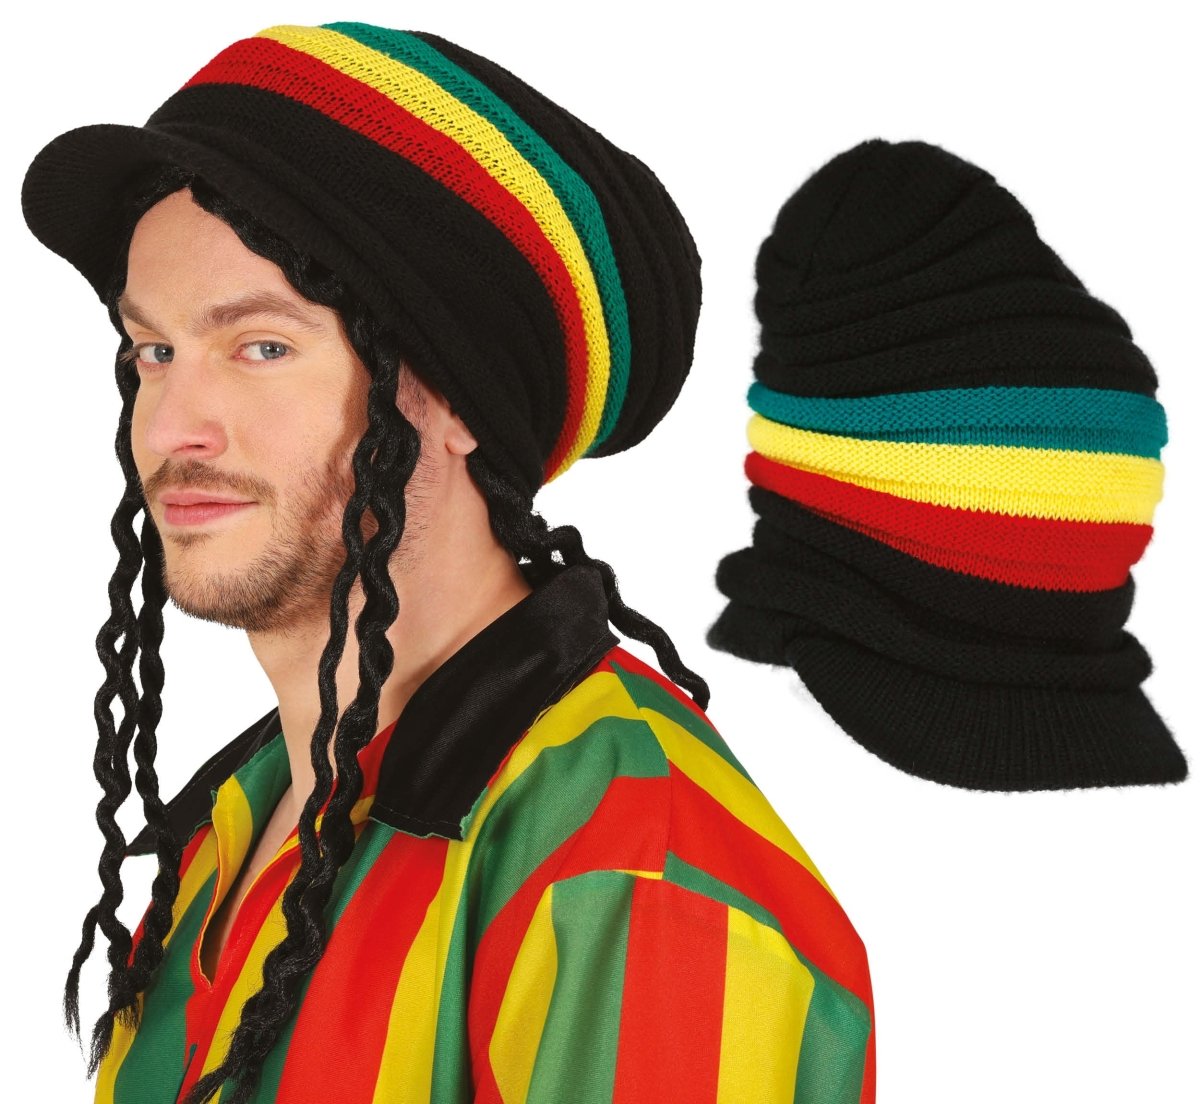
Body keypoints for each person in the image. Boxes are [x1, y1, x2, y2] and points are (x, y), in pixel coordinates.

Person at [22, 21, 875, 1104]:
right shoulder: (238, 823)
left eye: (263, 347)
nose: (171, 425)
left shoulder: (629, 865)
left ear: (456, 399)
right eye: (155, 351)